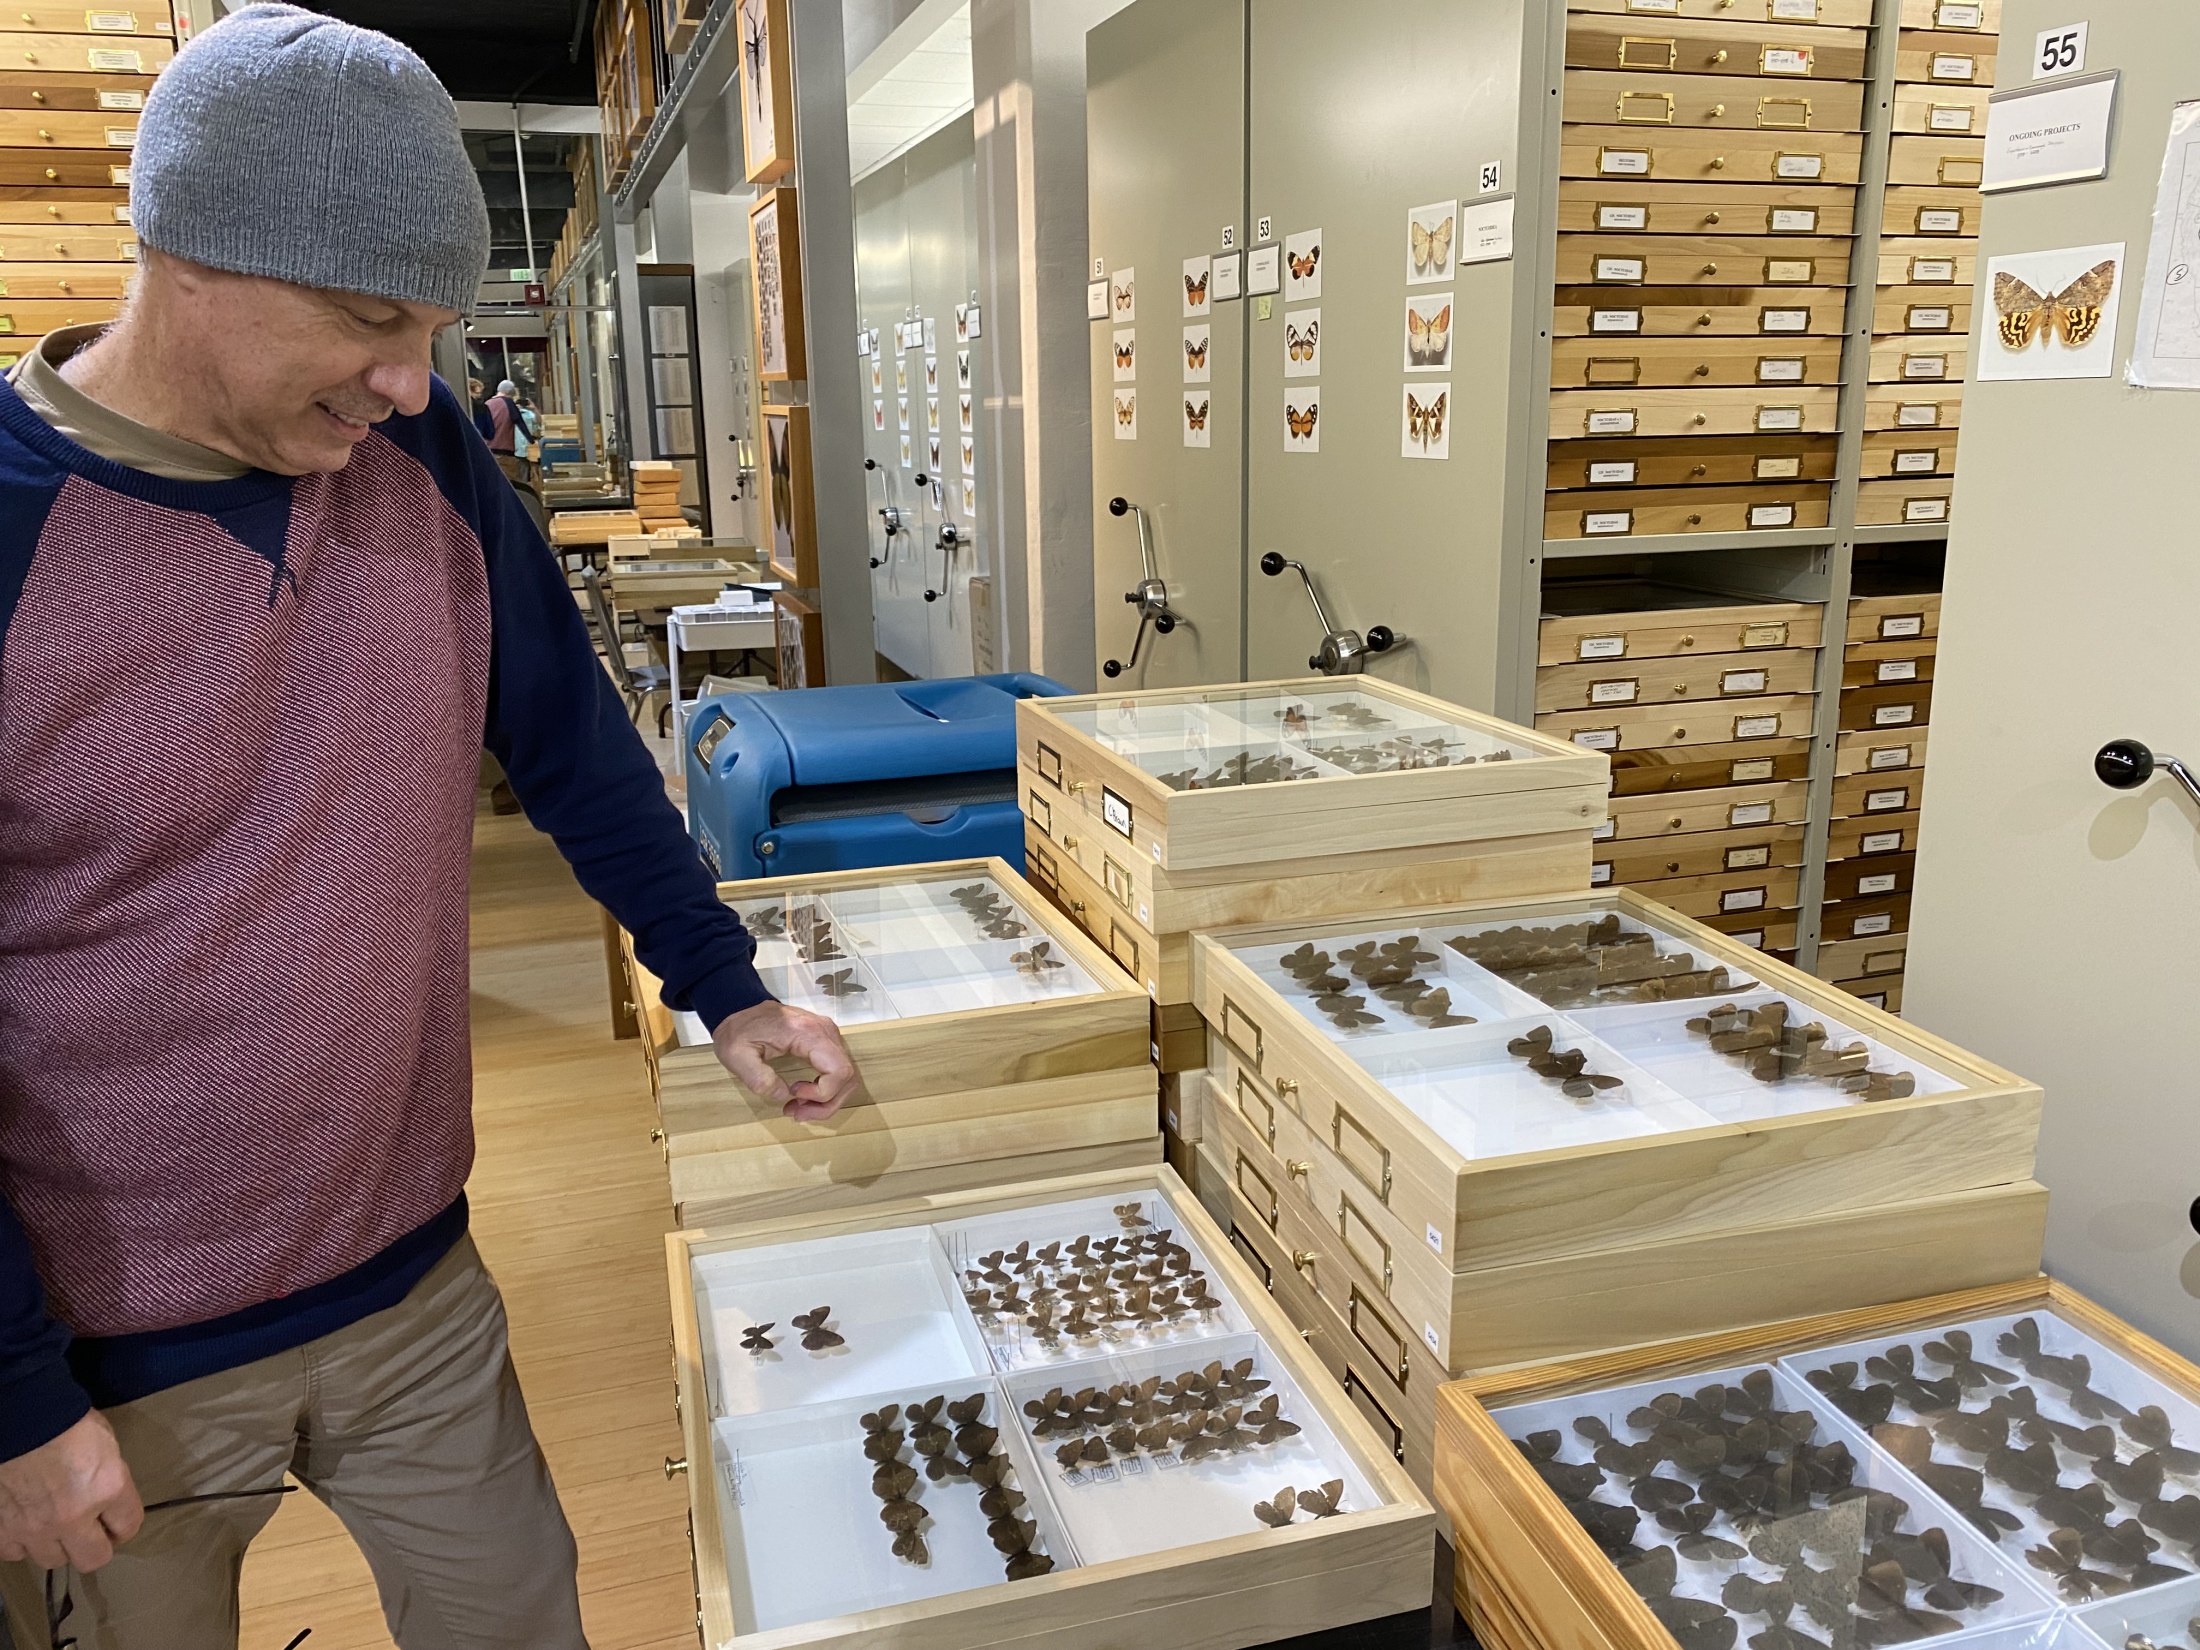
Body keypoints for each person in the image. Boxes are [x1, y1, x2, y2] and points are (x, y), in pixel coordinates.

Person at [0, 7, 857, 1648]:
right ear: (194, 260)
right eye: (369, 321)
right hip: (105, 1360)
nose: (411, 381)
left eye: (435, 332)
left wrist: (726, 990)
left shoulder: (429, 463)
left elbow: (572, 747)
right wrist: (9, 1399)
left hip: (415, 1281)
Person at [474, 376, 525, 483]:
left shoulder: (487, 403)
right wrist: (531, 440)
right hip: (505, 451)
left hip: (487, 450)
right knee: (512, 482)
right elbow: (520, 423)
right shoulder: (508, 403)